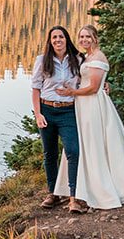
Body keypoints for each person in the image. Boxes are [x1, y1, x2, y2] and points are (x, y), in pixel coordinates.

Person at [53, 24, 124, 209]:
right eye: (81, 37)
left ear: (94, 38)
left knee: (94, 143)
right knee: (84, 142)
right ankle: (82, 187)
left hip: (93, 105)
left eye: (87, 37)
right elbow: (92, 80)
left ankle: (99, 188)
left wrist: (71, 93)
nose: (84, 40)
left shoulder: (98, 56)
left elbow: (93, 87)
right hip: (83, 105)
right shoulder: (86, 56)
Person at [31, 26, 84, 212]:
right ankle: (52, 193)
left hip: (68, 111)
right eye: (54, 37)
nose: (57, 40)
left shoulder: (77, 59)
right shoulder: (42, 60)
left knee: (73, 151)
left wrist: (105, 84)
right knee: (50, 154)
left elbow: (89, 78)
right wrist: (38, 114)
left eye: (60, 37)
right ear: (50, 41)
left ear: (66, 39)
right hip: (47, 110)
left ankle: (73, 197)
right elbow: (36, 89)